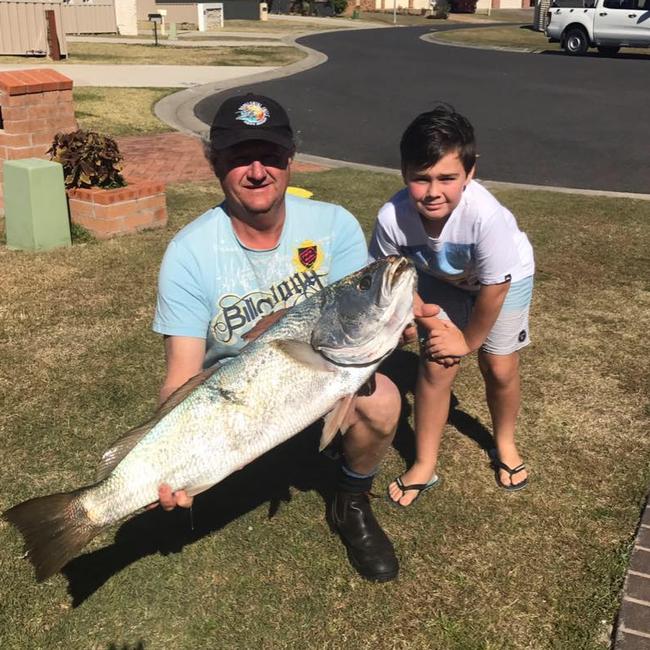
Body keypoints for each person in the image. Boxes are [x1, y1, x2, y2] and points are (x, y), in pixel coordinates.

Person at [150, 93, 403, 582]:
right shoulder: (188, 254)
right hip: (237, 406)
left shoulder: (334, 226)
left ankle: (350, 501)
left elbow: (362, 322)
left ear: (290, 159)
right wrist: (166, 451)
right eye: (239, 158)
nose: (257, 170)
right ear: (214, 164)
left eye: (269, 155)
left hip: (324, 384)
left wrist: (403, 325)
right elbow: (180, 377)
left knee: (384, 400)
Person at [369, 104, 535, 507]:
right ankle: (425, 463)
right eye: (420, 179)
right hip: (441, 281)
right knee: (436, 364)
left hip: (503, 280)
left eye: (447, 178)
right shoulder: (392, 217)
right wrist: (422, 314)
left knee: (498, 365)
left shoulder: (485, 216)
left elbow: (495, 287)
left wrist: (467, 340)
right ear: (404, 172)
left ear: (470, 172)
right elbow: (391, 275)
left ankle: (506, 444)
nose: (432, 192)